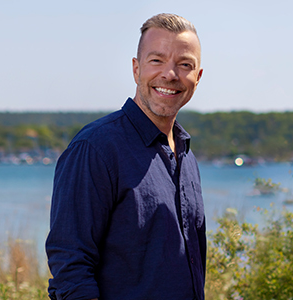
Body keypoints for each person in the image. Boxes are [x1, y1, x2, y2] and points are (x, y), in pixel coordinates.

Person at [46, 13, 206, 300]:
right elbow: (71, 269)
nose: (170, 74)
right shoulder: (95, 148)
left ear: (198, 77)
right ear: (136, 68)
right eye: (156, 60)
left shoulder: (185, 155)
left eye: (184, 65)